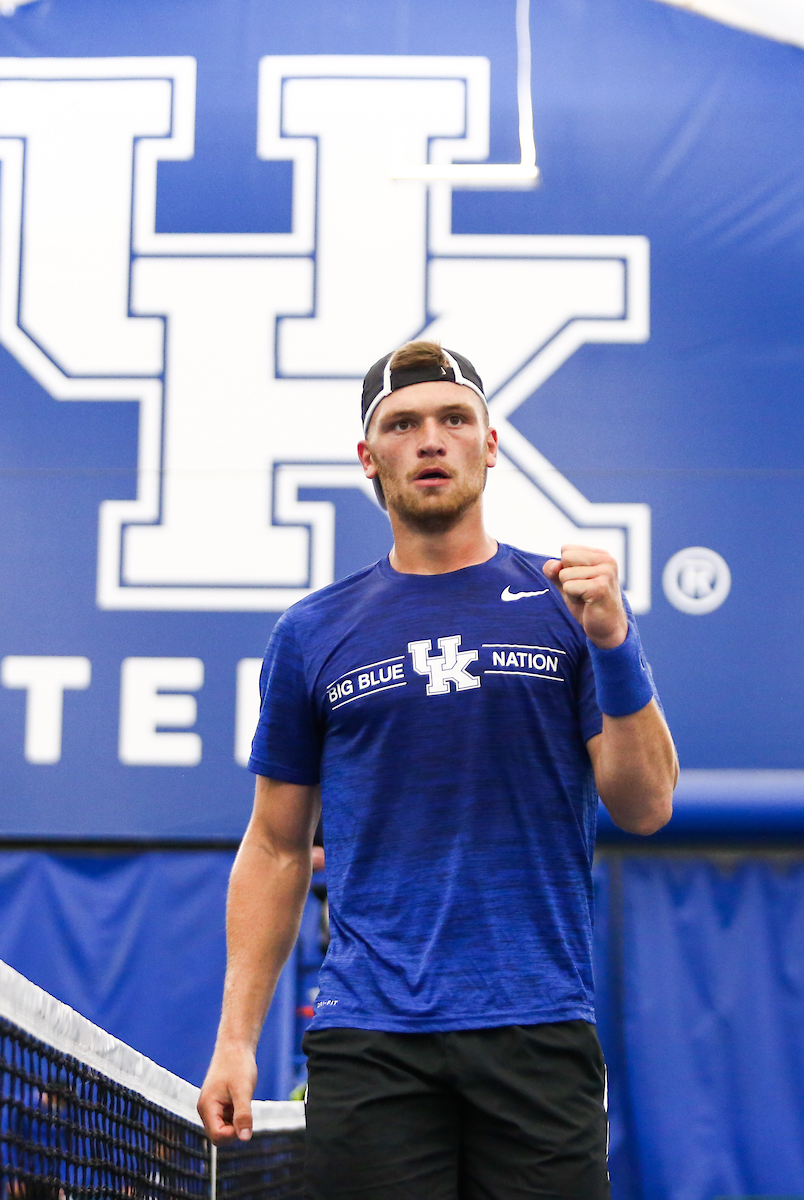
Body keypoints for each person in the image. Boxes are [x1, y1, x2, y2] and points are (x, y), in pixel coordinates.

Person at [198, 341, 677, 1199]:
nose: (431, 439)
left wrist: (614, 640)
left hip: (539, 1024)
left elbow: (644, 807)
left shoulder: (568, 608)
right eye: (403, 424)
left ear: (490, 445)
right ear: (368, 458)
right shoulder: (311, 632)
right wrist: (236, 1039)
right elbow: (274, 846)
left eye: (455, 419)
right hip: (370, 1039)